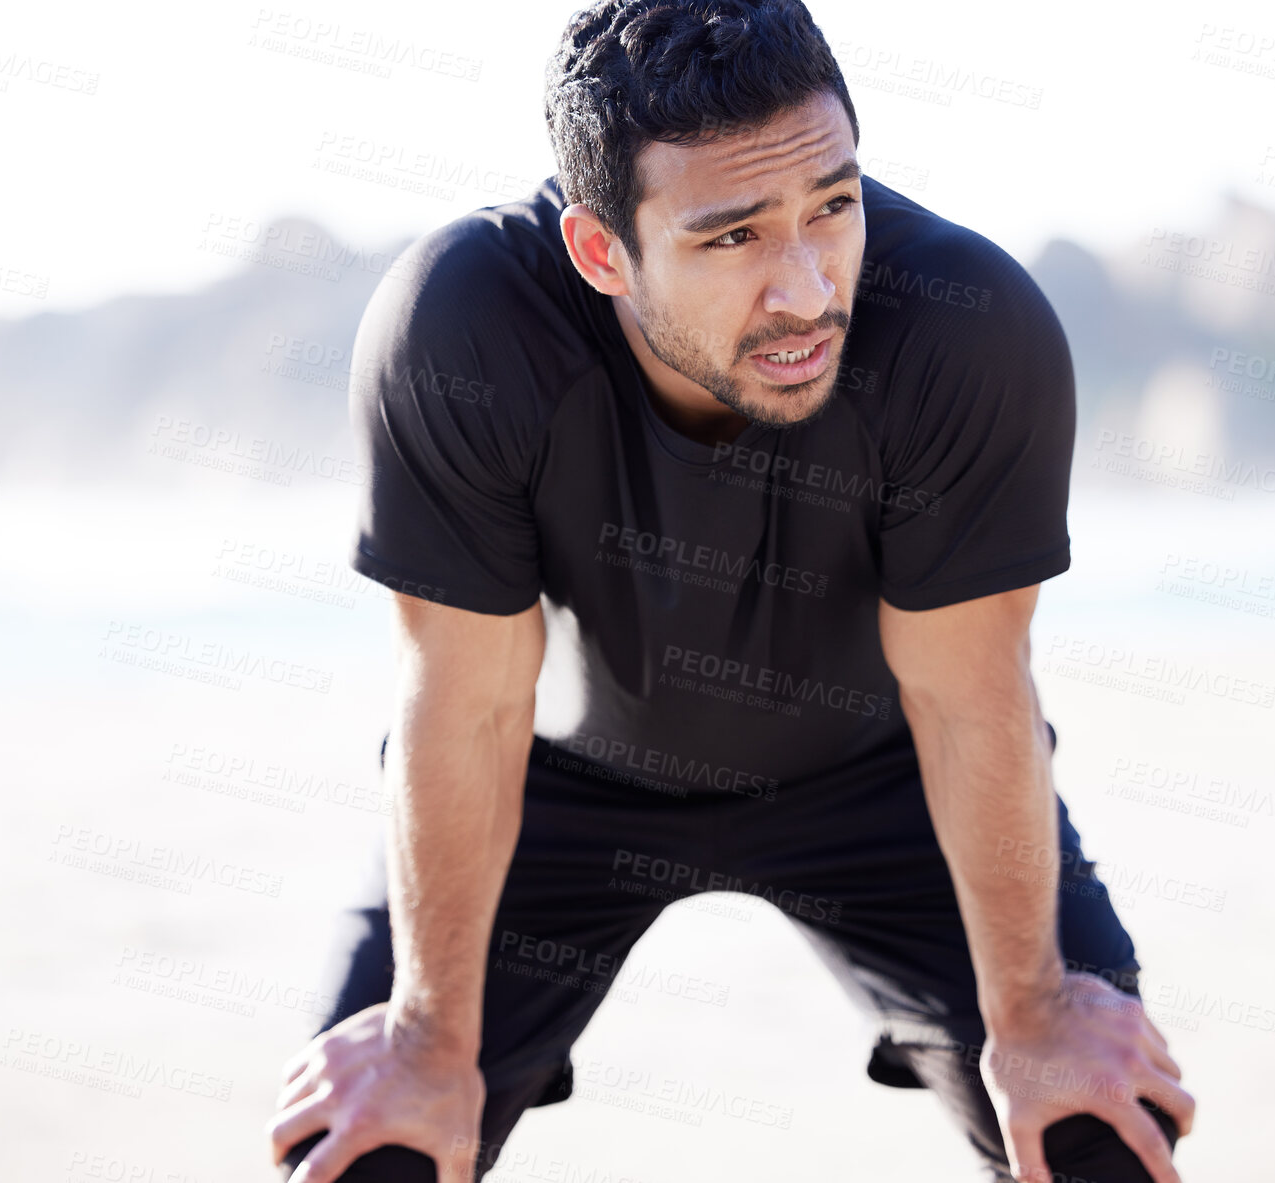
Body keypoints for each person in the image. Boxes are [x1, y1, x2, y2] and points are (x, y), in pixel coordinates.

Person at [267, 2, 1195, 1180]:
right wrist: (427, 1039)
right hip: (555, 784)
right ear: (602, 251)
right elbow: (468, 704)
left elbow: (968, 698)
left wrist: (1035, 1015)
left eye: (831, 206)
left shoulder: (961, 330)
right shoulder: (464, 325)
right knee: (369, 1147)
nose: (806, 288)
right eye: (731, 239)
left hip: (891, 776)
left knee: (1100, 1134)